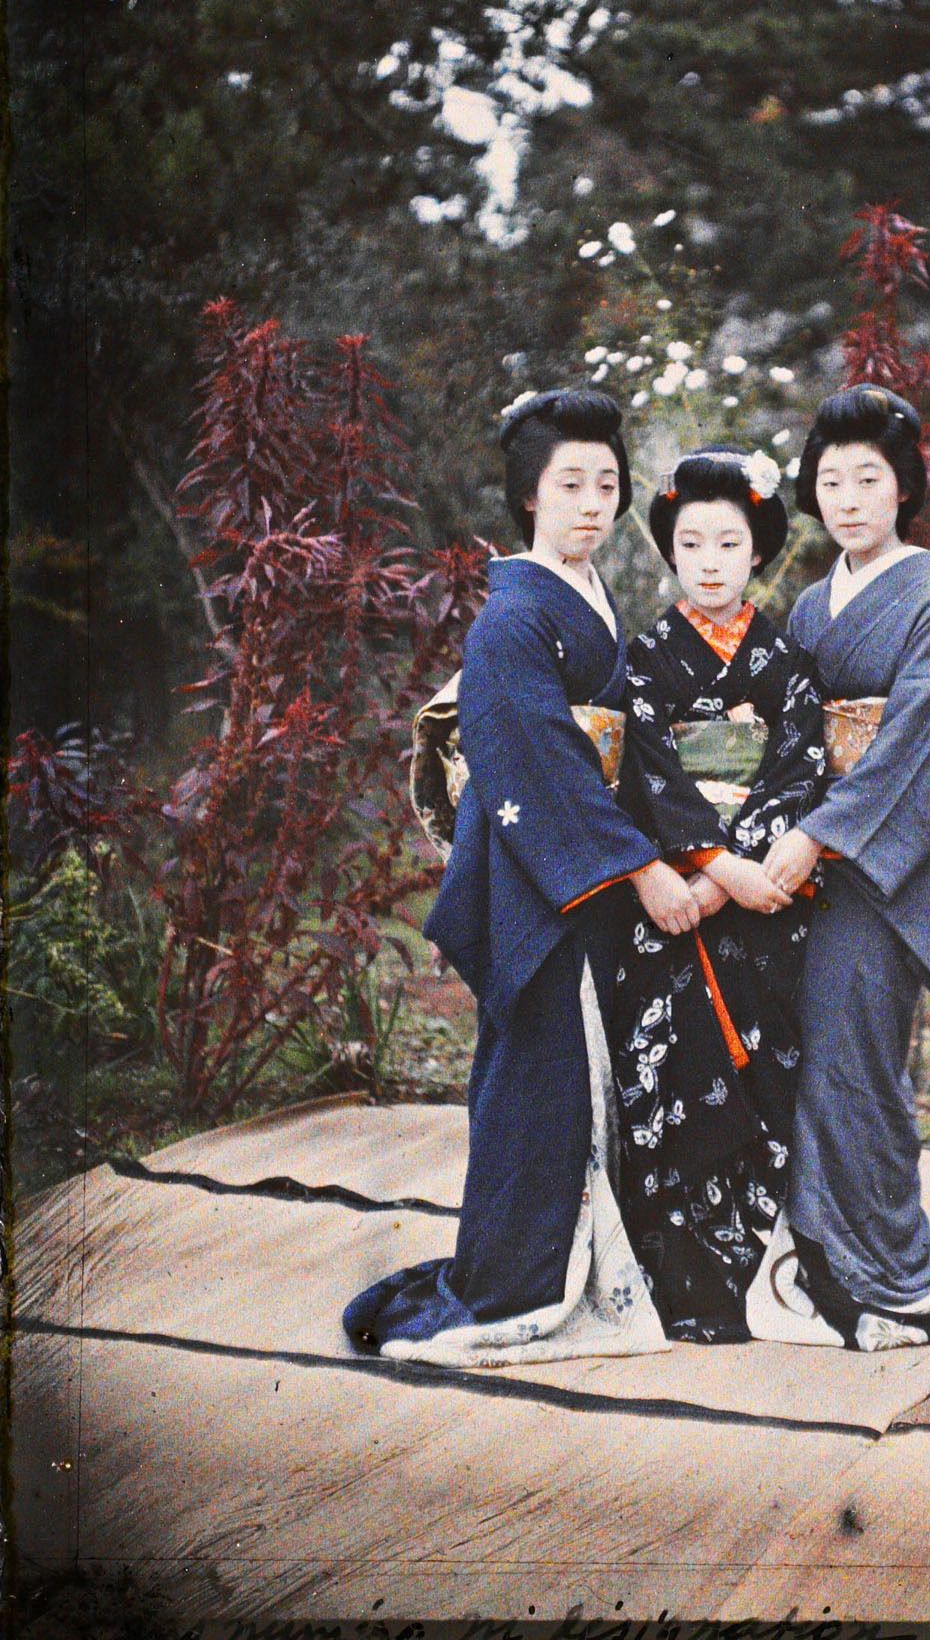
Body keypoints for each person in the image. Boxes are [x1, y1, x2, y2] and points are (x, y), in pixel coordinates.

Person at [342, 389, 700, 1366]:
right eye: (569, 483)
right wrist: (639, 868)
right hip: (538, 878)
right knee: (537, 1084)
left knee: (584, 1079)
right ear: (528, 495)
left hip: (579, 865)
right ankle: (517, 1284)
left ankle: (586, 1266)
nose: (592, 503)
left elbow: (625, 738)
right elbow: (536, 754)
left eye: (606, 484)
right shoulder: (510, 618)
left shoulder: (588, 598)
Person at [748, 386, 930, 1352]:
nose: (849, 499)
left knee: (857, 1063)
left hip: (877, 870)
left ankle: (886, 1267)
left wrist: (819, 835)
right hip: (804, 857)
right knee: (808, 1056)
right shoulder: (813, 605)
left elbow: (914, 745)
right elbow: (782, 727)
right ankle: (815, 1254)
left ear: (904, 486)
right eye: (830, 482)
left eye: (868, 479)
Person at [614, 445, 829, 1342]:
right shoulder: (643, 660)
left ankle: (751, 1278)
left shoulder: (786, 662)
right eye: (691, 544)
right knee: (670, 1081)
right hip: (673, 902)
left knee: (766, 1077)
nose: (709, 562)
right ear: (670, 552)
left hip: (760, 905)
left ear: (758, 551)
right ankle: (678, 1286)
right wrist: (710, 868)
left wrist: (734, 870)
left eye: (728, 543)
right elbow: (643, 774)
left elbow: (800, 769)